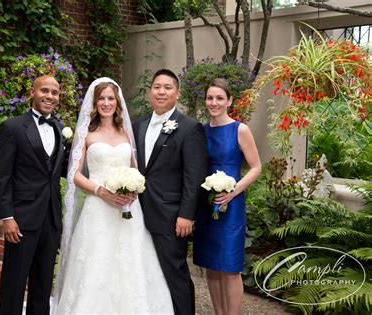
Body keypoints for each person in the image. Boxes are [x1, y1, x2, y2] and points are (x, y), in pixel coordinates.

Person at [51, 77, 174, 313]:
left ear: (117, 103)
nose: (106, 103)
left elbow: (134, 168)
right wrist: (100, 191)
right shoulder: (85, 131)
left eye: (110, 98)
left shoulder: (127, 131)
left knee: (130, 262)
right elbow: (74, 174)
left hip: (127, 209)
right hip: (98, 208)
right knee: (97, 264)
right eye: (102, 99)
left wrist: (133, 188)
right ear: (94, 103)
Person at [133, 69, 209, 315]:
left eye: (167, 87)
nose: (161, 91)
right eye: (156, 86)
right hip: (137, 213)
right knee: (146, 271)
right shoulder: (138, 125)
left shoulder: (189, 128)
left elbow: (194, 176)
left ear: (177, 93)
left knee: (174, 273)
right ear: (150, 92)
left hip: (170, 215)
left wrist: (186, 214)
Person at [0, 75, 66, 315]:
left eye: (54, 93)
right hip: (22, 218)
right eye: (44, 91)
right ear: (32, 93)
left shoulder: (58, 126)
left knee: (43, 282)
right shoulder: (12, 127)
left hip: (51, 216)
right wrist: (7, 217)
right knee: (14, 280)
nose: (49, 96)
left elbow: (60, 168)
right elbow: (1, 176)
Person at [193, 78, 261, 315]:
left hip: (231, 204)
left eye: (220, 98)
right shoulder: (200, 131)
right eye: (210, 98)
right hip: (207, 203)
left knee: (230, 267)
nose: (214, 103)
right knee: (212, 265)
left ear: (229, 101)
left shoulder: (239, 129)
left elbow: (256, 167)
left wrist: (234, 192)